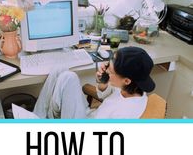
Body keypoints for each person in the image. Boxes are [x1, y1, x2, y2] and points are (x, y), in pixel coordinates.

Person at [18, 46, 155, 120]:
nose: (107, 71)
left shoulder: (126, 114)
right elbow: (108, 96)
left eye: (111, 72)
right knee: (60, 68)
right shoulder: (130, 89)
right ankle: (37, 118)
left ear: (126, 80)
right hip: (89, 114)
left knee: (69, 78)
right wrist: (103, 83)